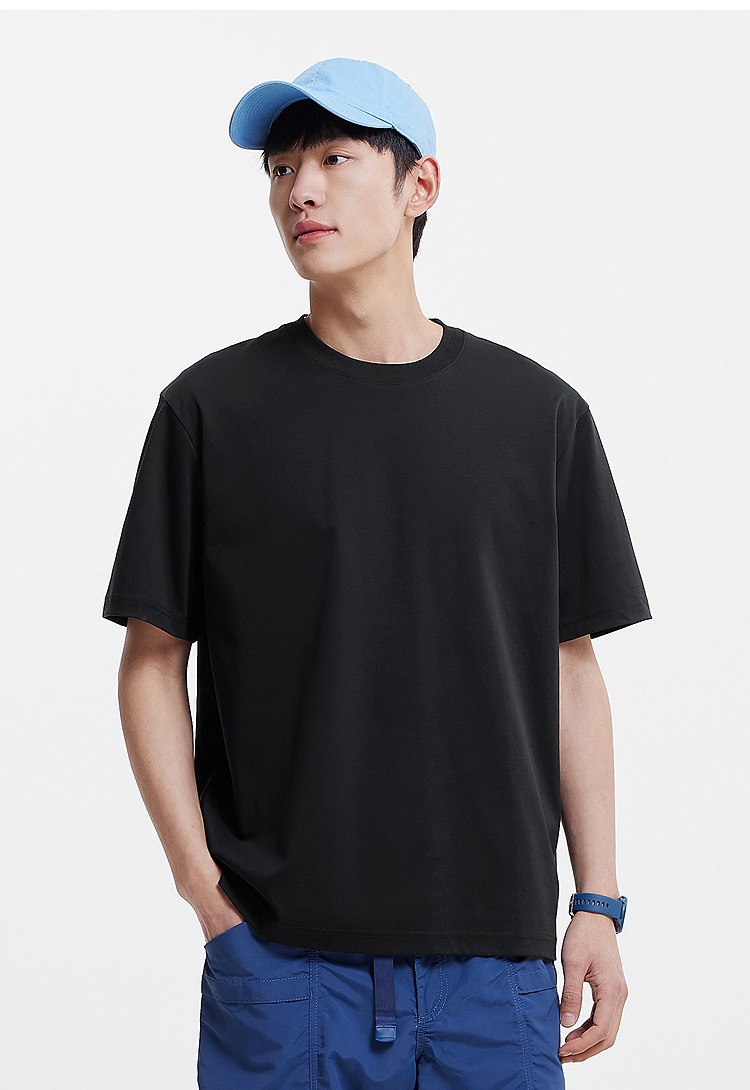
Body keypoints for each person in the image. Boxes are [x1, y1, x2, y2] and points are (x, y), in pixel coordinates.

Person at [102, 56, 652, 1089]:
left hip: (495, 965)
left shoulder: (537, 415)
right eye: (280, 169)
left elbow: (570, 665)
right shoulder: (211, 411)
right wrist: (205, 897)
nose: (298, 191)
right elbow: (151, 662)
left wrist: (597, 899)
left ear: (419, 185)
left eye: (333, 159)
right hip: (280, 959)